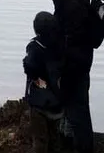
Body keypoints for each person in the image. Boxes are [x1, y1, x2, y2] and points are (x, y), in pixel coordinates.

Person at [13, 0, 95, 153]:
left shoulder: (73, 7)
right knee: (74, 105)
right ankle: (70, 140)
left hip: (75, 63)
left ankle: (82, 147)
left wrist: (46, 53)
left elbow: (66, 41)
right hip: (80, 59)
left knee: (78, 108)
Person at [24, 10, 70, 153]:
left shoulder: (36, 46)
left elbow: (30, 66)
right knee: (55, 139)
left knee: (40, 141)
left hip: (39, 104)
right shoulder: (61, 45)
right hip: (57, 102)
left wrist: (32, 74)